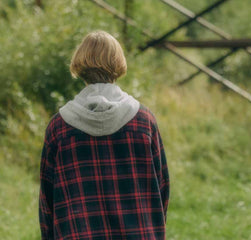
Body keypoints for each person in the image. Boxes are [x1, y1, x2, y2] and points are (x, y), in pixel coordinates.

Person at [38, 31, 170, 240]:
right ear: (118, 63)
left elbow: (48, 202)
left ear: (79, 65)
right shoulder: (144, 122)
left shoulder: (59, 128)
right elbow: (161, 191)